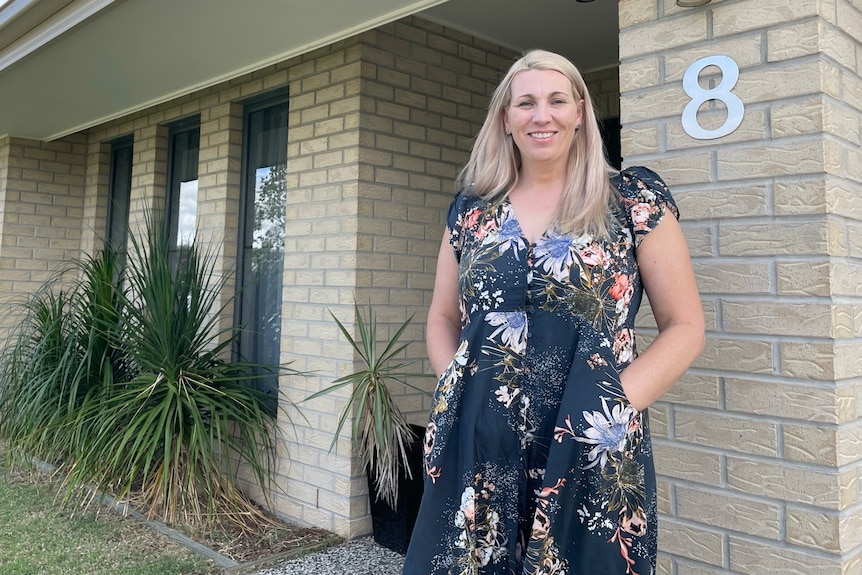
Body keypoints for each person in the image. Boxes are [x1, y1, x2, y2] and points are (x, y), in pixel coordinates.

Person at [402, 49, 705, 575]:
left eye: (557, 100)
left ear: (581, 111)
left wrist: (611, 407)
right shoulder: (471, 212)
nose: (542, 115)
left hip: (590, 448)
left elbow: (686, 326)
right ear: (506, 119)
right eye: (526, 103)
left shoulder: (631, 201)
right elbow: (443, 317)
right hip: (479, 446)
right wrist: (457, 388)